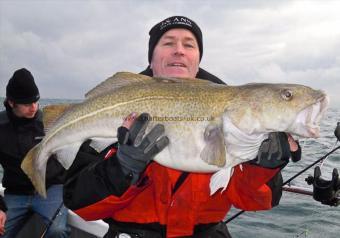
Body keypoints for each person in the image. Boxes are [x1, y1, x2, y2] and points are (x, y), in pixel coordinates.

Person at [63, 16, 301, 237]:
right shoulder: (115, 107)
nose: (179, 50)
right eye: (168, 43)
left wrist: (261, 168)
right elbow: (81, 204)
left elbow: (258, 201)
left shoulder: (240, 115)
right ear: (152, 57)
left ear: (198, 59)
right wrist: (122, 168)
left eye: (189, 45)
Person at [0, 68, 71, 237]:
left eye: (36, 102)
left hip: (51, 188)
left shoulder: (49, 122)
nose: (34, 108)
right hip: (16, 193)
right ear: (11, 102)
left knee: (58, 230)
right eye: (27, 104)